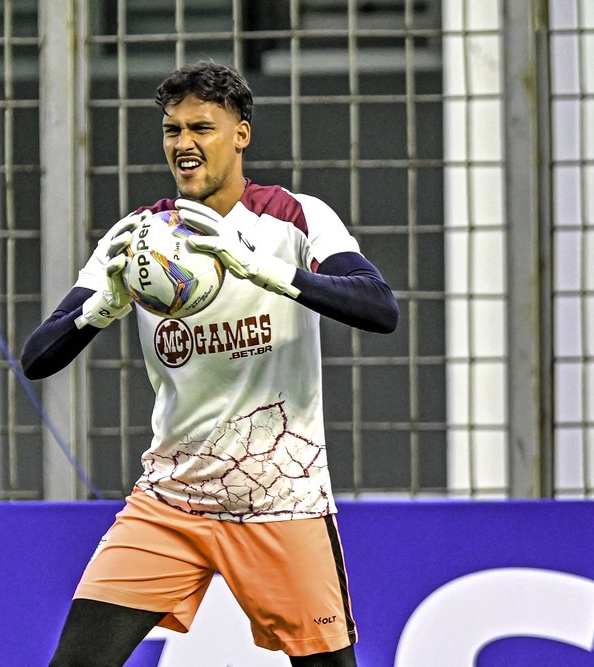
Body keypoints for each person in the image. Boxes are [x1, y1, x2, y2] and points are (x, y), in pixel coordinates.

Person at [22, 61, 398, 667]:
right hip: (170, 503)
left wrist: (260, 269)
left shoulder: (294, 218)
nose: (184, 145)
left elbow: (380, 308)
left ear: (241, 134)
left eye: (202, 127)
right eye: (173, 131)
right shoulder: (140, 240)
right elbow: (38, 357)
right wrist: (102, 307)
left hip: (281, 500)